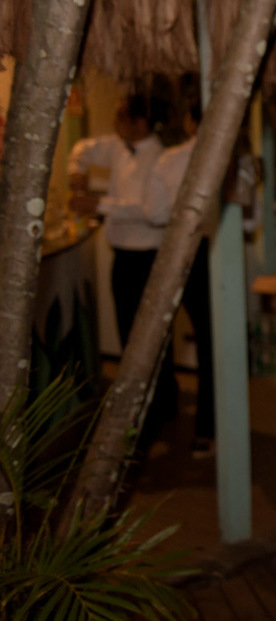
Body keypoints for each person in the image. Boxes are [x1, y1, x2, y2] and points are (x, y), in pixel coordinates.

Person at [69, 93, 177, 432]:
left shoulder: (159, 158)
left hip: (149, 257)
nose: (115, 123)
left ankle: (159, 404)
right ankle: (141, 401)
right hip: (123, 256)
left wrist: (99, 204)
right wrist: (76, 171)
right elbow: (82, 149)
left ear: (139, 122)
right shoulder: (117, 146)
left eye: (120, 116)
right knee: (128, 330)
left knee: (151, 333)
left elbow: (149, 212)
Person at [143, 101, 216, 457]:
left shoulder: (170, 159)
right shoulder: (233, 160)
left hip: (181, 250)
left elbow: (154, 213)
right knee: (211, 344)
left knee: (157, 335)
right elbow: (248, 220)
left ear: (190, 121)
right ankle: (207, 430)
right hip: (214, 254)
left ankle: (155, 417)